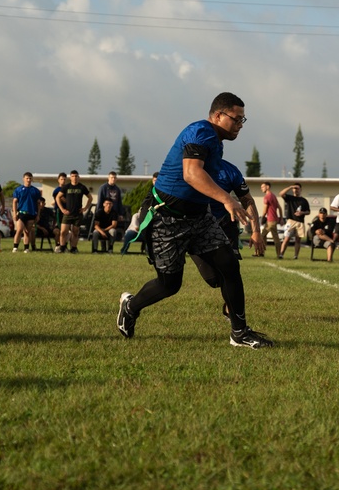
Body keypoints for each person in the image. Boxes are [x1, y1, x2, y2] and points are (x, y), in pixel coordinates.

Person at [117, 92, 273, 348]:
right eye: (236, 119)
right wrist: (226, 199)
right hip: (167, 217)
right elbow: (191, 174)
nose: (240, 126)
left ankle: (239, 333)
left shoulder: (217, 142)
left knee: (229, 266)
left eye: (243, 121)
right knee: (169, 284)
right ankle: (131, 306)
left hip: (199, 217)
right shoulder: (200, 131)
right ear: (218, 115)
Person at [190, 159, 265, 317]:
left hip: (225, 224)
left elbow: (247, 200)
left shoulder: (230, 170)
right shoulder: (189, 167)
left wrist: (256, 231)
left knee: (230, 270)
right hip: (197, 227)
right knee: (213, 279)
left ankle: (232, 311)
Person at [56, 170, 92, 254]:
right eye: (73, 176)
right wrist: (62, 209)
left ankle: (74, 248)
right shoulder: (66, 187)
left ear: (78, 177)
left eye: (76, 176)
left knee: (75, 232)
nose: (74, 178)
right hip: (68, 213)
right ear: (70, 177)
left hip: (78, 214)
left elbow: (90, 198)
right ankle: (62, 247)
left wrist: (85, 208)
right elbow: (58, 197)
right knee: (63, 231)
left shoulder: (82, 187)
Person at [11, 172, 42, 253]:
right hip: (21, 213)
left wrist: (38, 214)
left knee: (27, 231)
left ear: (32, 179)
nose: (28, 180)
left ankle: (26, 248)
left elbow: (38, 203)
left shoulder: (35, 191)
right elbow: (14, 201)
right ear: (23, 179)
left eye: (30, 178)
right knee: (19, 229)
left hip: (31, 213)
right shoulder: (18, 190)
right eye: (27, 178)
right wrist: (14, 213)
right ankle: (15, 247)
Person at [277, 183, 310, 260]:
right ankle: (281, 254)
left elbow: (308, 211)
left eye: (297, 188)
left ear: (301, 190)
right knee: (287, 238)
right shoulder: (290, 198)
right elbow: (281, 194)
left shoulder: (304, 200)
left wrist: (302, 213)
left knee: (298, 240)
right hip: (291, 221)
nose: (296, 190)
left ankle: (295, 256)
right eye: (294, 188)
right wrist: (290, 187)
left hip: (300, 222)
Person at [259, 181, 282, 257]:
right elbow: (280, 208)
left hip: (270, 220)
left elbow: (265, 209)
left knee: (262, 236)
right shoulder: (273, 196)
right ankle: (278, 254)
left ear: (267, 187)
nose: (261, 188)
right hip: (273, 219)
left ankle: (260, 252)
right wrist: (281, 218)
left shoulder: (267, 196)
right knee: (274, 237)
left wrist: (262, 217)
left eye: (263, 187)